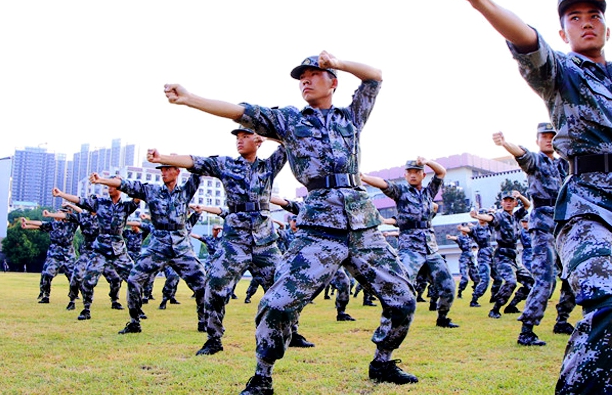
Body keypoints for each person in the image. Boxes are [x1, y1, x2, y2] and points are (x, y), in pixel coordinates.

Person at [164, 51, 418, 393]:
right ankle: (262, 376)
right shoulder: (289, 121)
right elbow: (242, 111)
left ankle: (383, 361)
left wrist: (338, 61)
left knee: (403, 298)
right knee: (278, 303)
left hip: (362, 225)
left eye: (314, 74)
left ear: (334, 82)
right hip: (318, 229)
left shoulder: (352, 117)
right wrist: (191, 99)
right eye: (302, 77)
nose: (305, 80)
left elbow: (375, 75)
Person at [456, 0, 612, 393]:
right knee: (608, 302)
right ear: (562, 32)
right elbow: (522, 35)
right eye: (575, 17)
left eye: (595, 16)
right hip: (588, 213)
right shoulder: (560, 71)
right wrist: (479, 1)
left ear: (608, 28)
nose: (586, 23)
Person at [145, 128, 287, 356]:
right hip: (235, 243)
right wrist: (162, 158)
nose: (239, 141)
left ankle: (293, 332)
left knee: (283, 288)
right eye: (237, 138)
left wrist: (267, 135)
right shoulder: (226, 165)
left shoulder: (268, 166)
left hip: (265, 242)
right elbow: (194, 161)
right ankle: (214, 338)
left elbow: (288, 141)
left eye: (245, 136)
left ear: (257, 140)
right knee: (214, 288)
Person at [90, 167, 208, 335]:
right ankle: (134, 322)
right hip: (158, 245)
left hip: (181, 245)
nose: (163, 173)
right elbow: (126, 185)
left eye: (168, 169)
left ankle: (203, 321)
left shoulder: (186, 191)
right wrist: (101, 180)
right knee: (134, 279)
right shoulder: (151, 190)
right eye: (162, 170)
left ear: (177, 172)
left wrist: (174, 158)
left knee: (202, 283)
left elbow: (198, 169)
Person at [493, 124, 577, 341]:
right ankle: (527, 330)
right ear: (538, 140)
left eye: (552, 137)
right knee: (545, 279)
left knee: (571, 276)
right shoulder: (535, 161)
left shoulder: (562, 165)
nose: (549, 140)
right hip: (543, 227)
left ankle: (562, 321)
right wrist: (504, 143)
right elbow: (520, 153)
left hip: (564, 225)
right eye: (545, 137)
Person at [362, 157, 459, 329]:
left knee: (448, 286)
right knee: (401, 285)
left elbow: (441, 171)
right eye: (410, 172)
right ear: (405, 175)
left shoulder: (429, 192)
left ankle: (442, 318)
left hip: (430, 248)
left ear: (423, 174)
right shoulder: (401, 191)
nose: (413, 175)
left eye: (417, 172)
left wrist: (427, 161)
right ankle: (392, 321)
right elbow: (383, 184)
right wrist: (363, 177)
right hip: (410, 249)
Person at [52, 183, 139, 321]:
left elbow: (137, 197)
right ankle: (86, 309)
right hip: (100, 250)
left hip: (118, 250)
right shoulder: (100, 204)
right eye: (108, 186)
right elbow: (80, 201)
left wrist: (126, 187)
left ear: (120, 189)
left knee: (134, 279)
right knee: (87, 280)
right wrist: (61, 194)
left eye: (113, 186)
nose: (109, 188)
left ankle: (135, 310)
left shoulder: (125, 207)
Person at [469, 191, 534, 323]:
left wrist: (520, 196)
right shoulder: (499, 216)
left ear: (515, 203)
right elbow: (489, 218)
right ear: (502, 203)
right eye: (506, 201)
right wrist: (477, 216)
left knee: (530, 283)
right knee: (511, 282)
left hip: (514, 256)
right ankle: (495, 309)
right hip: (502, 256)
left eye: (511, 201)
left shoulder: (516, 216)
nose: (509, 203)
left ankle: (511, 306)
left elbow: (527, 205)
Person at [21, 209, 79, 304]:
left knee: (74, 277)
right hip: (55, 256)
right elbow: (40, 224)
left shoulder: (72, 224)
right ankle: (46, 296)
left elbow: (75, 215)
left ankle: (74, 295)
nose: (57, 215)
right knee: (47, 274)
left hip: (68, 256)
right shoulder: (53, 225)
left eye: (59, 213)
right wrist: (27, 223)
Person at [459, 212, 495, 307]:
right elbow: (468, 230)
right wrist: (462, 229)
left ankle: (494, 297)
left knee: (498, 278)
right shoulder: (475, 229)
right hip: (483, 255)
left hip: (492, 253)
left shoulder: (489, 226)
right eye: (481, 216)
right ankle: (474, 299)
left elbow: (494, 219)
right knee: (485, 279)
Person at [446, 225, 478, 299]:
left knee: (476, 278)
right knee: (465, 278)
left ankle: (475, 291)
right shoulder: (460, 237)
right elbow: (455, 238)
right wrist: (450, 237)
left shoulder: (470, 236)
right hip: (464, 258)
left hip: (471, 259)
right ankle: (459, 293)